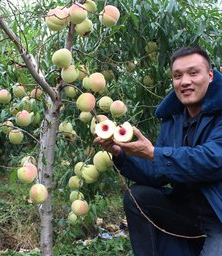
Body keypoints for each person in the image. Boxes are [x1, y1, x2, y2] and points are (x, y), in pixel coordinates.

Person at [94, 46, 222, 256]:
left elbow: (211, 159)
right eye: (177, 75)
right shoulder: (173, 119)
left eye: (193, 73)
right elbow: (157, 173)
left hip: (219, 218)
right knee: (139, 196)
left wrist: (154, 153)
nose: (185, 81)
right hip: (187, 211)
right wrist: (121, 153)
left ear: (210, 76)